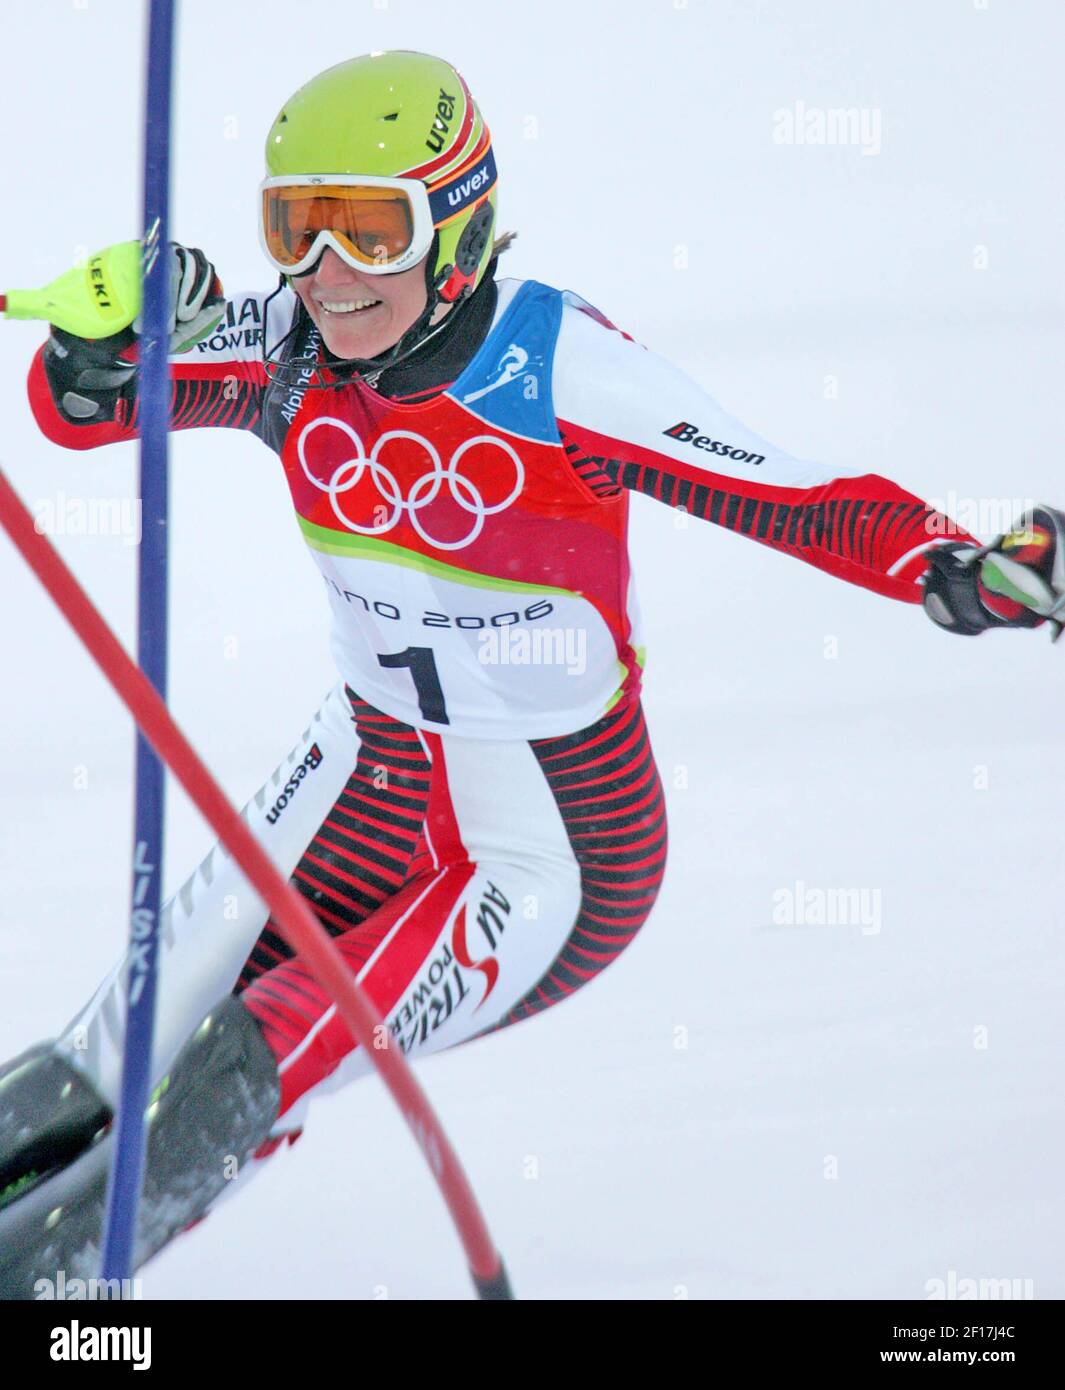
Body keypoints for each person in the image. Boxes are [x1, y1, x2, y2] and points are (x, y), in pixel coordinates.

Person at [1, 49, 1061, 1296]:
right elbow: (83, 410)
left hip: (549, 845)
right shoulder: (291, 347)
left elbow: (798, 499)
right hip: (360, 776)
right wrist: (109, 331)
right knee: (102, 1059)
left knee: (251, 1053)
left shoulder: (560, 370)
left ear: (456, 227)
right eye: (296, 227)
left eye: (370, 233)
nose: (328, 276)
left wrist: (957, 563)